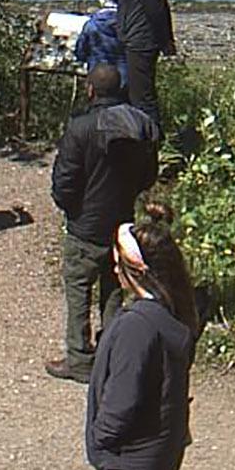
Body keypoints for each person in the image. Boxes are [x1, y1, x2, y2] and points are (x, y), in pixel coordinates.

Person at [43, 210, 196, 470]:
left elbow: (123, 397)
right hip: (161, 441)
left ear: (133, 271)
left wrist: (102, 436)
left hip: (131, 443)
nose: (112, 266)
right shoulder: (174, 315)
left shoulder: (135, 327)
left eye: (117, 261)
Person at [47, 62, 158, 383]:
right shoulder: (139, 126)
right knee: (114, 291)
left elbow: (64, 181)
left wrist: (72, 210)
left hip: (86, 224)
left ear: (90, 89)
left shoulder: (80, 128)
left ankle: (80, 359)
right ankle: (112, 354)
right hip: (122, 221)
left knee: (79, 290)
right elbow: (148, 176)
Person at [110, 0, 176, 131]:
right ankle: (143, 139)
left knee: (142, 98)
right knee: (136, 93)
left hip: (141, 41)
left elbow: (155, 7)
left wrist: (165, 42)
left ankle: (151, 145)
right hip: (138, 38)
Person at [73, 0, 127, 88]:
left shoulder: (91, 25)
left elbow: (80, 51)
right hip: (123, 77)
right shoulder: (128, 25)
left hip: (97, 74)